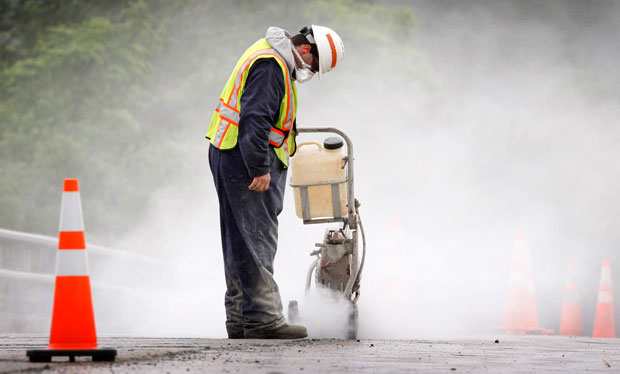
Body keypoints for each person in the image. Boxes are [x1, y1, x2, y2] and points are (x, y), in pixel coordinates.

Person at [206, 25, 344, 339]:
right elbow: (255, 118)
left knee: (239, 240)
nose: (308, 71)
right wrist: (259, 168)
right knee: (256, 239)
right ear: (307, 50)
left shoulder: (267, 51)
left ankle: (241, 317)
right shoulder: (272, 66)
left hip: (229, 152)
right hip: (245, 160)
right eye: (313, 65)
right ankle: (264, 319)